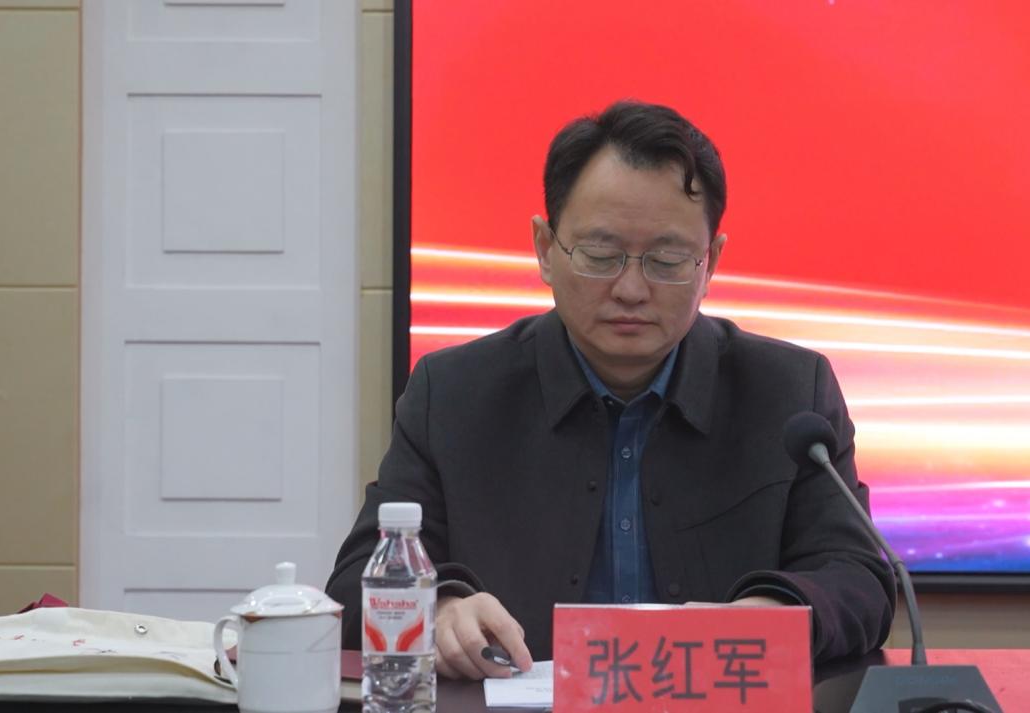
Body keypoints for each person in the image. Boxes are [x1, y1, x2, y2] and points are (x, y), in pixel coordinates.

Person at [326, 100, 895, 680]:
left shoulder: (790, 392)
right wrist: (442, 608)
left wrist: (772, 615)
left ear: (710, 262)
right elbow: (354, 583)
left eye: (667, 261)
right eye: (601, 256)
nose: (631, 289)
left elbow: (859, 578)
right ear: (545, 249)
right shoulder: (453, 395)